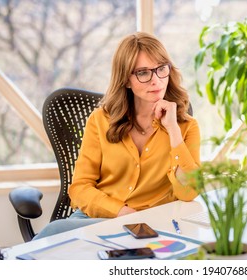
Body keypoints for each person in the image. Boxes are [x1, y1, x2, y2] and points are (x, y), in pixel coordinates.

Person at [33, 32, 200, 239]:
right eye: (143, 73)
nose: (156, 80)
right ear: (126, 80)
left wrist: (173, 130)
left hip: (151, 224)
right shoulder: (100, 120)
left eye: (161, 69)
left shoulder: (186, 127)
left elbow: (189, 192)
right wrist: (122, 213)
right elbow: (79, 188)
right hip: (98, 218)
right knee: (52, 234)